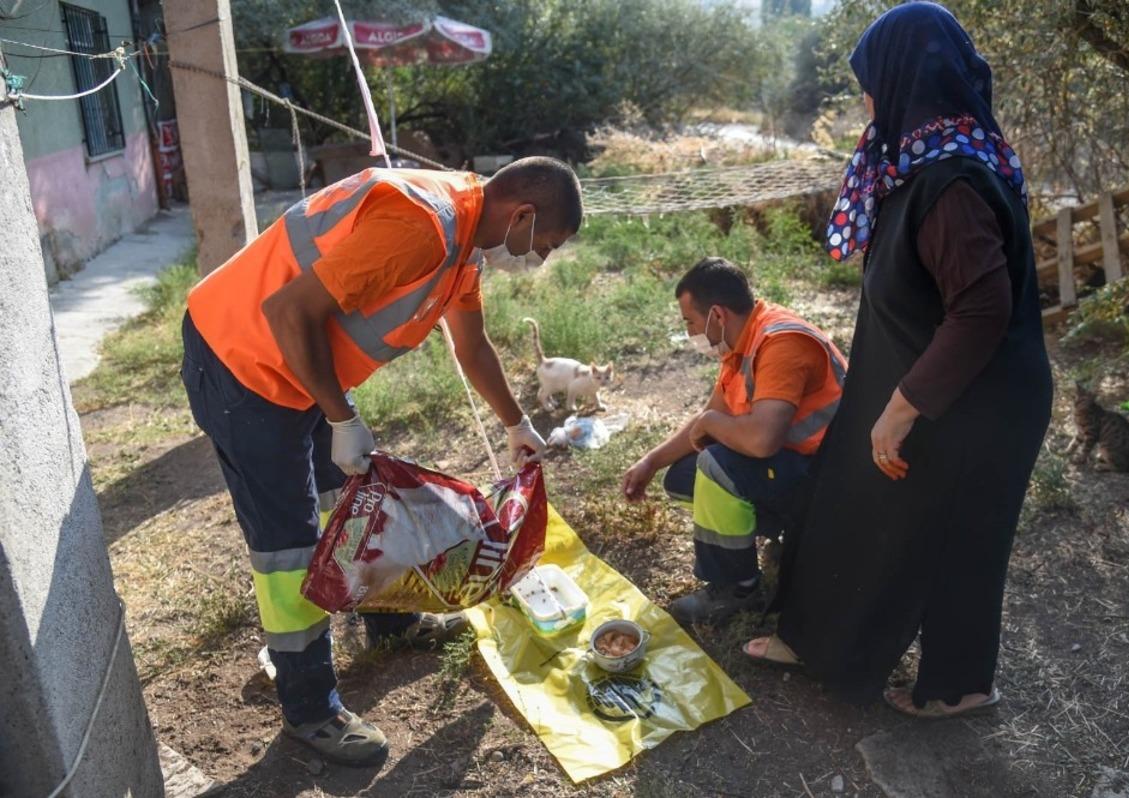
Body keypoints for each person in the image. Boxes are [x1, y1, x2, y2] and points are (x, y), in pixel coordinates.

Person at [180, 157, 582, 765]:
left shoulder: (466, 241)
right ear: (521, 214)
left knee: (355, 503)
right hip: (244, 364)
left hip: (301, 366)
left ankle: (391, 622)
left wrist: (515, 423)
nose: (539, 260)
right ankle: (310, 709)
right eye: (544, 245)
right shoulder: (423, 226)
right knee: (287, 545)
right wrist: (341, 418)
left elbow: (471, 345)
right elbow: (289, 312)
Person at [743, 2, 1053, 719]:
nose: (865, 101)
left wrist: (901, 407)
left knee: (960, 539)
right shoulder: (923, 166)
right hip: (930, 386)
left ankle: (956, 688)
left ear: (907, 80)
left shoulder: (952, 183)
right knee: (854, 504)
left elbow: (980, 311)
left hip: (975, 402)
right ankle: (818, 640)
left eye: (870, 84)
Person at [622, 257, 846, 624]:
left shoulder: (781, 343)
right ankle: (789, 537)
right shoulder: (742, 341)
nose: (691, 332)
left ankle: (736, 589)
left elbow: (760, 442)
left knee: (713, 466)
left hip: (829, 477)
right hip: (796, 465)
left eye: (690, 322)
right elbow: (709, 418)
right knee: (682, 476)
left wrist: (711, 422)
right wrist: (650, 462)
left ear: (717, 316)